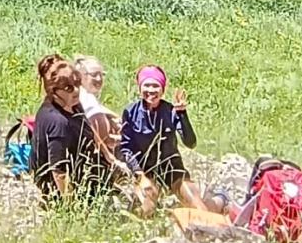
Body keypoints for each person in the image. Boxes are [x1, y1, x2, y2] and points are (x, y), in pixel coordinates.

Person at [119, 65, 207, 217]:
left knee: (196, 204)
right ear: (140, 88)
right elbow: (126, 149)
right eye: (147, 85)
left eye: (155, 86)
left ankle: (216, 216)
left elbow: (190, 143)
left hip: (172, 168)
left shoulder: (171, 110)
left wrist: (182, 114)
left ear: (163, 89)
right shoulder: (130, 112)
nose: (151, 90)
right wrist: (139, 175)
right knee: (147, 206)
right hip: (145, 170)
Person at [29, 55, 113, 203]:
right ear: (54, 91)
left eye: (77, 84)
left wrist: (107, 154)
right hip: (63, 189)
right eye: (68, 88)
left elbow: (88, 126)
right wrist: (72, 207)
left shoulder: (73, 104)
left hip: (87, 170)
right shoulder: (58, 122)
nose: (75, 91)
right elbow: (59, 172)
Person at [73, 54, 127, 178]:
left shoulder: (81, 96)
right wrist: (128, 138)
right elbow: (102, 141)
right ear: (80, 76)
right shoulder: (89, 103)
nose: (99, 79)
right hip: (98, 164)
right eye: (94, 75)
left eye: (101, 74)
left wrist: (110, 116)